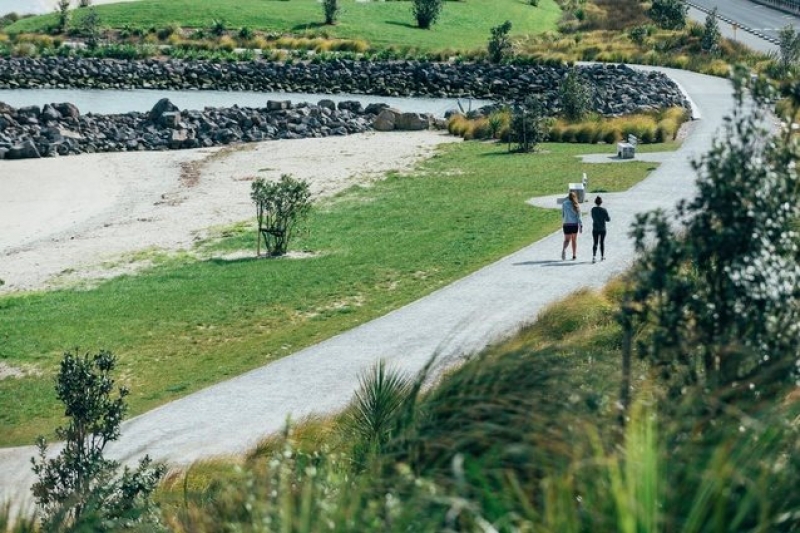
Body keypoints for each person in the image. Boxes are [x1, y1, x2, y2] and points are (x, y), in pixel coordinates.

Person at [561, 191, 582, 260]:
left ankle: (564, 249)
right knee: (574, 240)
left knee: (566, 240)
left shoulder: (564, 204)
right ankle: (574, 255)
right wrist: (580, 225)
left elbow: (563, 214)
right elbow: (579, 216)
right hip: (574, 225)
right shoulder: (576, 204)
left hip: (566, 224)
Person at [590, 195, 611, 263]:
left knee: (595, 242)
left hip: (595, 228)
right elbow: (608, 219)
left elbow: (592, 217)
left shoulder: (593, 209)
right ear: (601, 202)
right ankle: (602, 256)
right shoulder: (604, 210)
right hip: (602, 228)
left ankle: (594, 257)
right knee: (602, 242)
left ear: (595, 202)